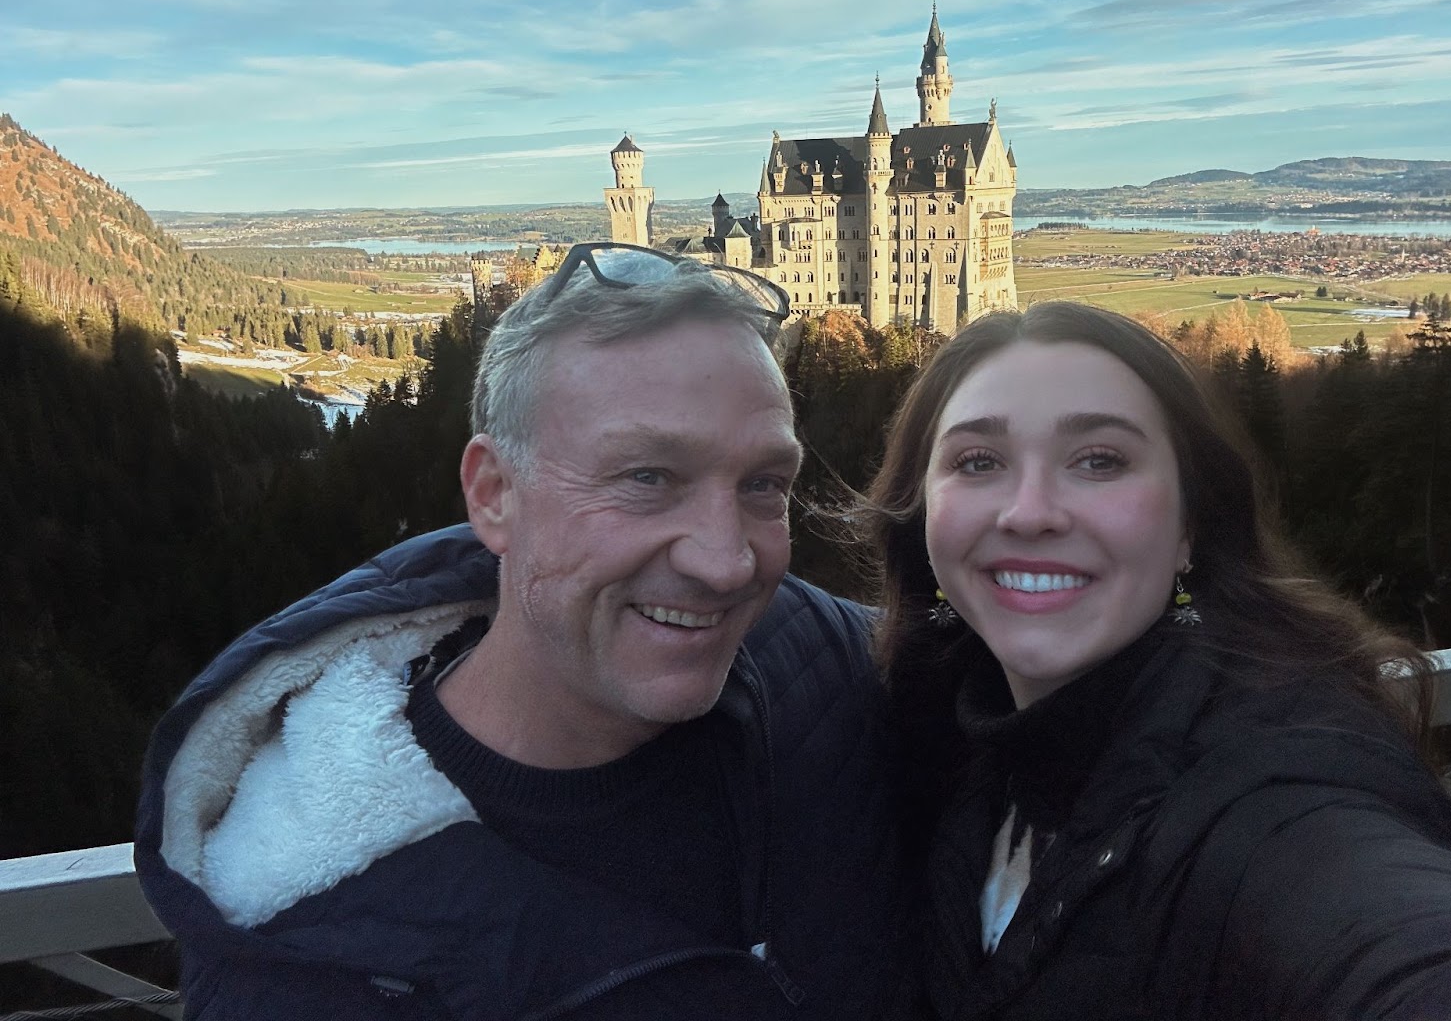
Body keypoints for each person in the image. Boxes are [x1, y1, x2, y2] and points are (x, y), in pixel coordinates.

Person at [135, 243, 907, 1019]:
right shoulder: (307, 968)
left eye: (763, 485)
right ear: (495, 495)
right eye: (646, 478)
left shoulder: (808, 660)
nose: (727, 562)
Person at [865, 300, 1451, 1021]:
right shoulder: (951, 719)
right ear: (923, 511)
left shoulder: (1274, 781)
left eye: (1099, 460)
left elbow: (1411, 945)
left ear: (1191, 525)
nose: (1029, 512)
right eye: (978, 460)